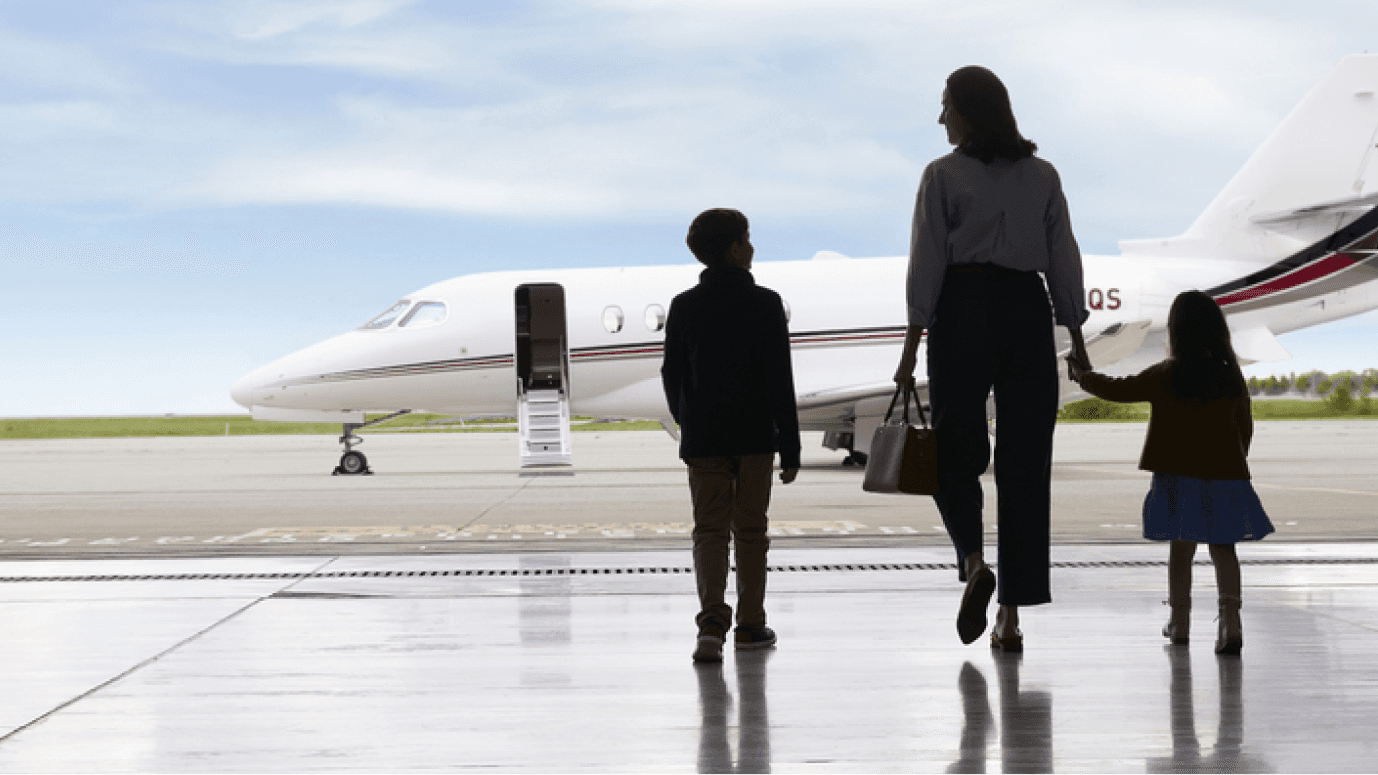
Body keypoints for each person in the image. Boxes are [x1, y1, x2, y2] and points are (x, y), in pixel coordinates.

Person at [893, 66, 1091, 651]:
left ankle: (975, 561)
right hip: (1027, 310)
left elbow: (926, 262)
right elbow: (1064, 258)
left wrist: (909, 349)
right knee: (1026, 460)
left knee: (955, 449)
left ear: (969, 110)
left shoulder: (942, 175)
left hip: (963, 307)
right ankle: (1010, 615)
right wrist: (1075, 339)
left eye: (946, 105)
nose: (941, 117)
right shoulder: (1043, 176)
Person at [1069, 290, 1274, 654]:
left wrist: (1083, 376)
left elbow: (1118, 389)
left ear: (1176, 333)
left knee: (1182, 551)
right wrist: (1234, 460)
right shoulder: (1230, 377)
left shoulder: (1167, 374)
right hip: (1226, 474)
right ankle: (1231, 622)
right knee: (1223, 549)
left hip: (1178, 478)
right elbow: (1245, 426)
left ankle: (1180, 623)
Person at [662, 208, 802, 663]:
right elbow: (781, 378)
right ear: (736, 248)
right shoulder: (766, 304)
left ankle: (710, 625)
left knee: (709, 531)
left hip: (704, 436)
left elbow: (671, 374)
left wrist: (686, 418)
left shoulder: (684, 306)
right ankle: (750, 624)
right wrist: (791, 444)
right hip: (755, 435)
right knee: (751, 530)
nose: (752, 245)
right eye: (747, 238)